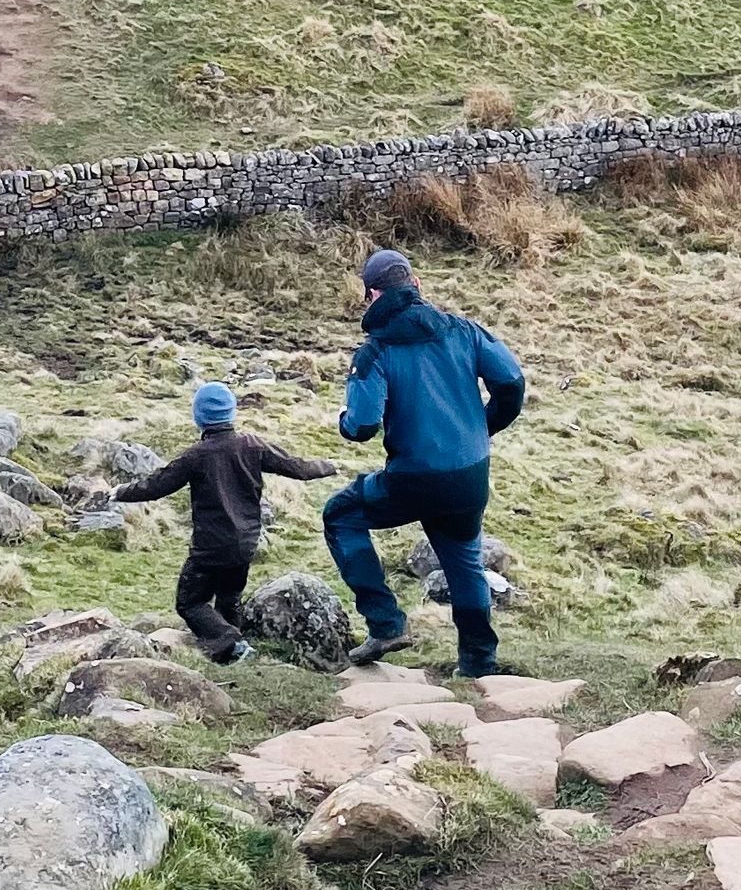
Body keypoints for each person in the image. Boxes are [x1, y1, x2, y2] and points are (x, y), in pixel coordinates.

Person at [322, 245, 524, 675]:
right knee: (464, 559)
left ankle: (386, 622)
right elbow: (511, 383)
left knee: (341, 515)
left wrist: (343, 421)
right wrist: (482, 429)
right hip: (470, 475)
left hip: (413, 479)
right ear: (415, 285)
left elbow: (362, 427)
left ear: (372, 295)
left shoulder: (374, 352)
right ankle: (478, 663)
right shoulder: (463, 331)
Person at [111, 382, 335, 663]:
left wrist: (121, 493)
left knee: (190, 602)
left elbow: (157, 485)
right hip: (246, 542)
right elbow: (296, 467)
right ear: (231, 413)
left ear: (199, 417)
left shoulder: (196, 455)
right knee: (229, 599)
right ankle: (233, 654)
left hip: (211, 546)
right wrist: (329, 466)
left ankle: (232, 644)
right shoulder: (252, 445)